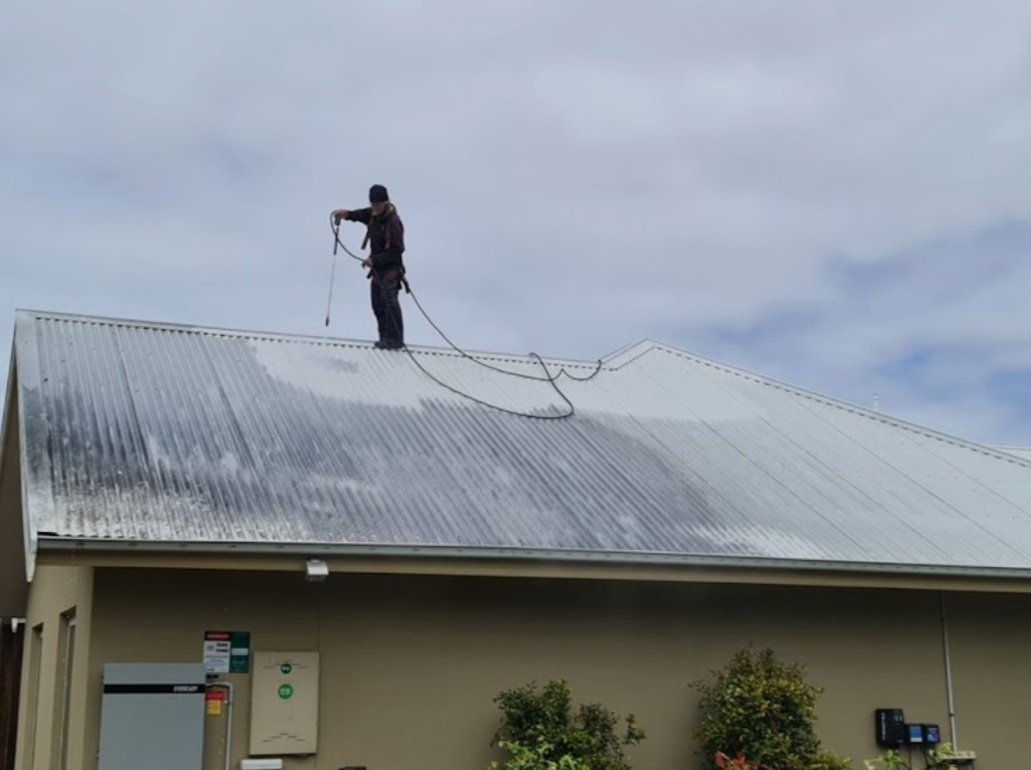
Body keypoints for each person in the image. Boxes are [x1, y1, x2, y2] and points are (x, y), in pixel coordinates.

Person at [331, 184, 406, 349]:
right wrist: (347, 214)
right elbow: (360, 214)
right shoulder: (372, 214)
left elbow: (397, 251)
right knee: (377, 304)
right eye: (373, 204)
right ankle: (384, 338)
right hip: (378, 270)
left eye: (378, 205)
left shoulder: (393, 222)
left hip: (391, 269)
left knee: (390, 302)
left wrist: (374, 260)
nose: (375, 208)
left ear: (386, 202)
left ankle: (395, 340)